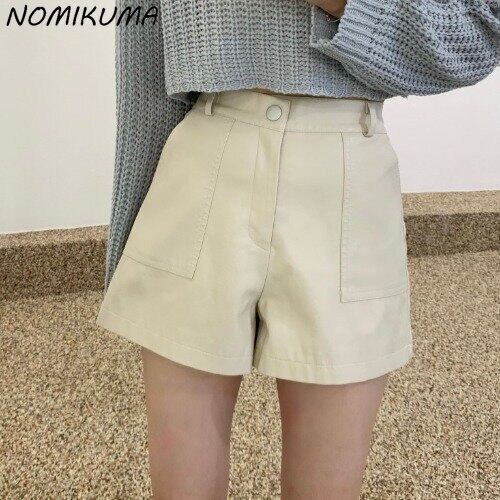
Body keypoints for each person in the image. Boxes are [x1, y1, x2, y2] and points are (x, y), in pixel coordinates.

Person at [96, 0, 499, 497]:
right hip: (203, 160)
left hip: (344, 177)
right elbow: (144, 77)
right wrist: (131, 253)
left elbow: (475, 35)